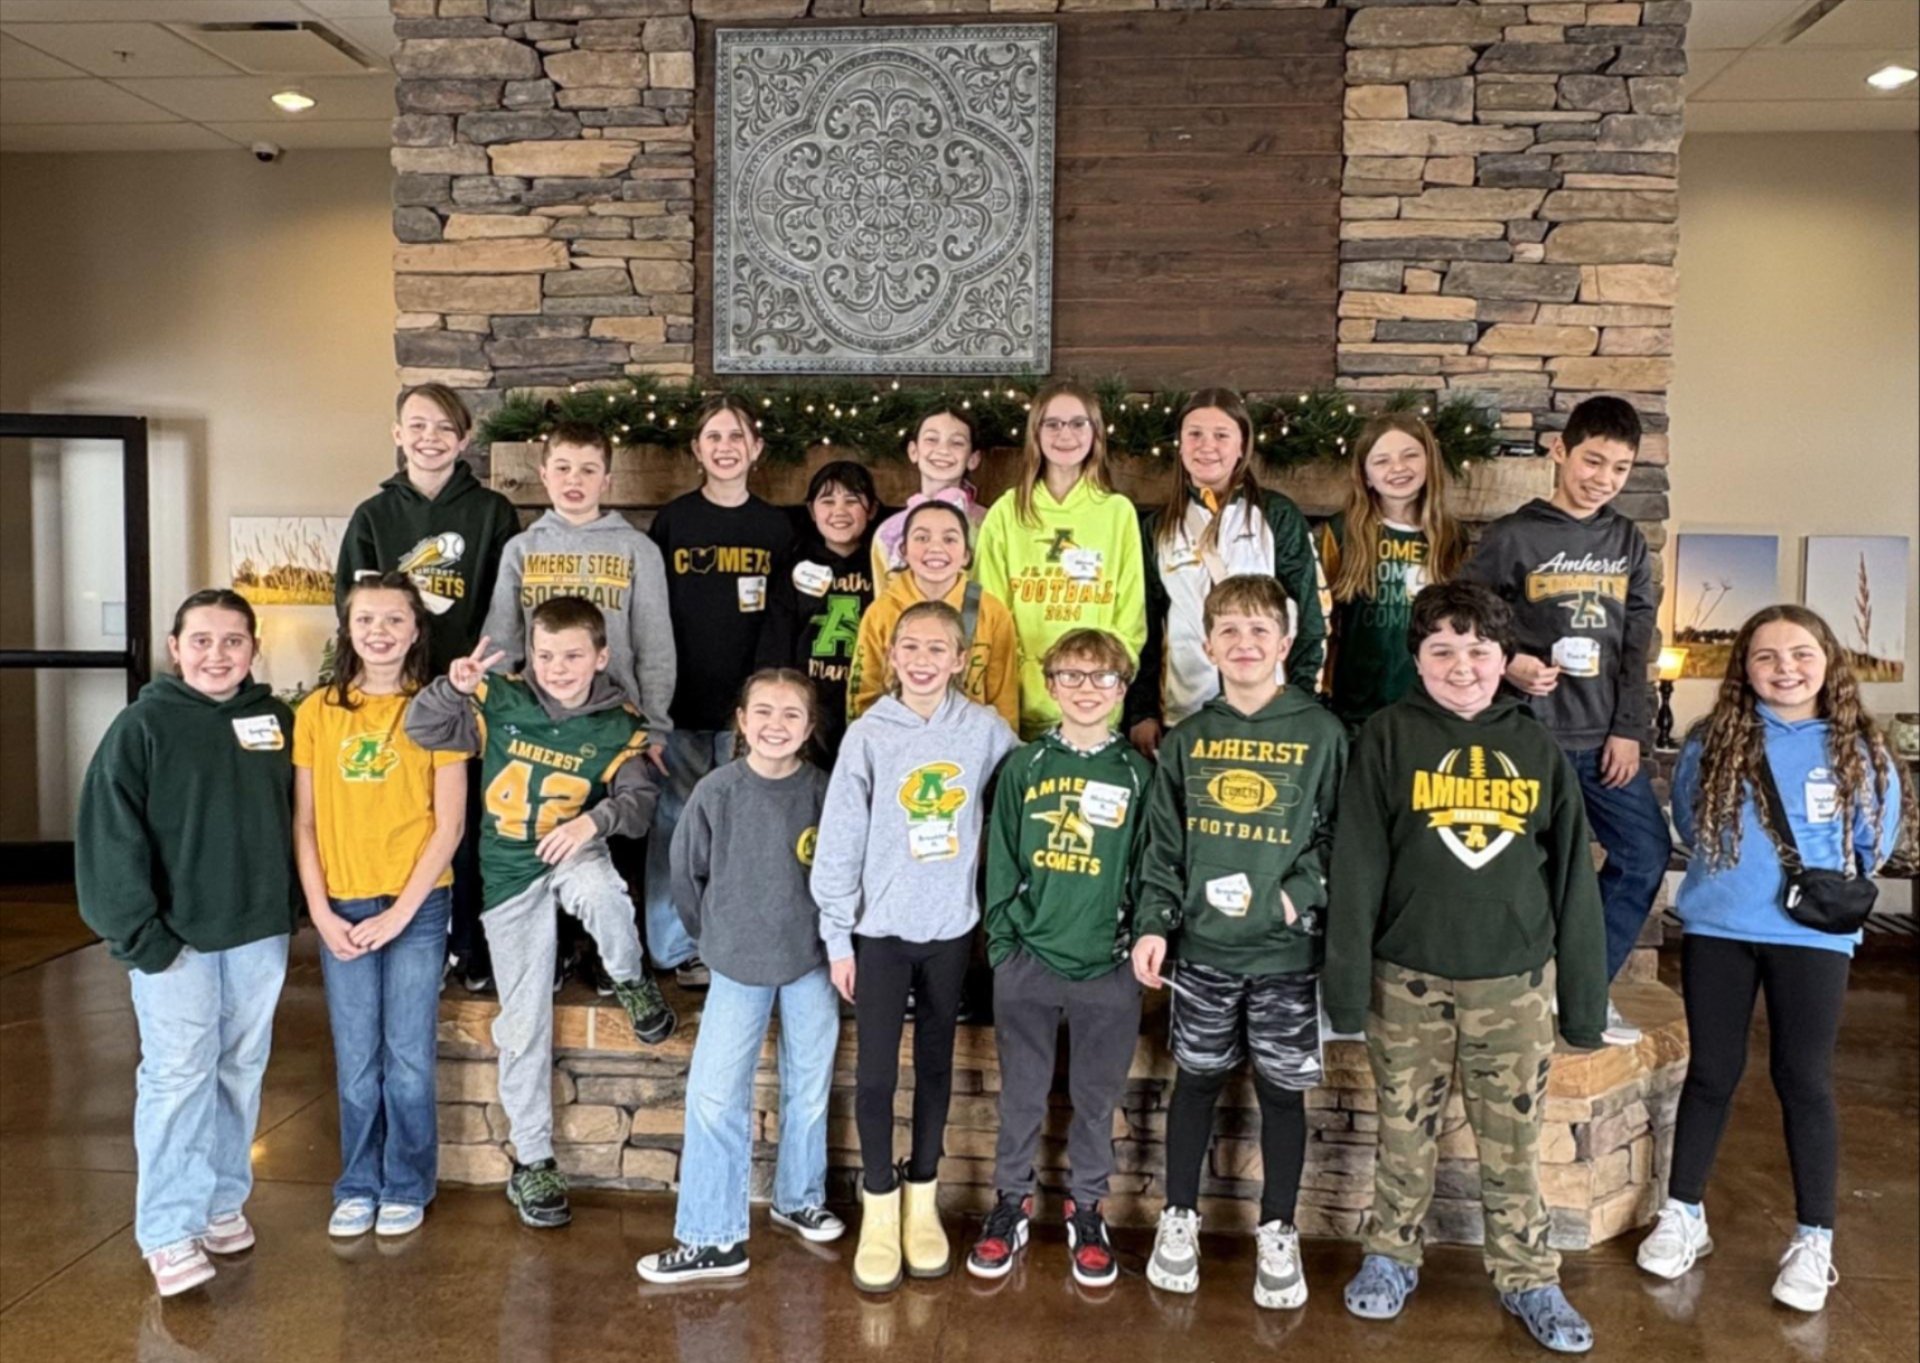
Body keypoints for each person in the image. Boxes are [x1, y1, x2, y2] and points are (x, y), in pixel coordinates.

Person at [1327, 581, 1606, 1356]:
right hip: (1404, 980)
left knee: (1512, 1142)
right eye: (1442, 649)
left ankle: (1529, 1275)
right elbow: (1357, 865)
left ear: (1505, 658)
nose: (1461, 666)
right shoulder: (1386, 737)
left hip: (1512, 984)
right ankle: (1390, 1254)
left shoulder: (1537, 748)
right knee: (1402, 1132)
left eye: (1479, 650)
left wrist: (1584, 1003)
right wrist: (1344, 989)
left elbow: (1572, 880)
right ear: (1417, 658)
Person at [1637, 605, 1904, 1314]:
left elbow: (1874, 840)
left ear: (1828, 661)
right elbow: (1691, 820)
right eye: (1766, 656)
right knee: (1711, 1073)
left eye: (1801, 654)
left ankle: (1814, 1237)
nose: (1785, 668)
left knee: (1804, 1078)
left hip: (1812, 937)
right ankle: (1683, 1213)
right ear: (1745, 668)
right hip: (1720, 927)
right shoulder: (1713, 740)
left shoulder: (1860, 747)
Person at [405, 596, 672, 1231]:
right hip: (508, 873)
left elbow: (640, 806)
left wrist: (593, 821)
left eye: (573, 655)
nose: (557, 668)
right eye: (546, 655)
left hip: (572, 848)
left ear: (601, 657)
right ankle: (533, 1161)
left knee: (603, 892)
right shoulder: (498, 698)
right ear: (529, 654)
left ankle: (630, 978)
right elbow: (423, 730)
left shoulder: (618, 723)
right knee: (523, 1024)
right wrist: (452, 688)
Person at [1131, 574, 1346, 1312]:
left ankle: (1278, 1228)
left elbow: (1340, 835)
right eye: (1229, 630)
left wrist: (1296, 894)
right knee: (1194, 1081)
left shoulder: (1322, 733)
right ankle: (1178, 1217)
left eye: (1260, 631)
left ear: (1285, 643)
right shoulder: (1190, 739)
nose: (1245, 643)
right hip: (1203, 951)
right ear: (1207, 644)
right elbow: (1164, 845)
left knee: (1282, 1093)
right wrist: (1154, 922)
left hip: (1287, 955)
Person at [77, 590, 298, 1297]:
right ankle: (169, 1229)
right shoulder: (142, 726)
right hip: (175, 941)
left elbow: (304, 818)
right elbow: (108, 834)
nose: (217, 654)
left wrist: (297, 908)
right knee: (178, 1075)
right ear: (175, 647)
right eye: (201, 640)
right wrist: (140, 933)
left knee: (240, 1066)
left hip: (258, 932)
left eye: (233, 640)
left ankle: (221, 1199)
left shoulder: (277, 721)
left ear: (253, 648)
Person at [811, 601, 1019, 1293]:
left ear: (960, 660)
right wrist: (837, 935)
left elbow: (1024, 789)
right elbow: (840, 839)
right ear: (891, 655)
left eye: (938, 649)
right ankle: (879, 1199)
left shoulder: (984, 730)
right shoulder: (869, 735)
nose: (923, 660)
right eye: (910, 647)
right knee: (875, 1074)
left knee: (935, 1066)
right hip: (879, 932)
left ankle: (921, 1193)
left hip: (951, 929)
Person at [1463, 395, 1665, 1047]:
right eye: (1593, 461)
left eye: (1620, 468)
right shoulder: (1512, 536)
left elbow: (1638, 644)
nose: (1603, 478)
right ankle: (1510, 993)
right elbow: (1466, 620)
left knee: (1644, 854)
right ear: (1561, 451)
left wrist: (1630, 730)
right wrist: (1511, 663)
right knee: (1523, 870)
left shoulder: (1627, 541)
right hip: (1530, 738)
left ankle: (1583, 987)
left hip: (1605, 739)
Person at [636, 670, 844, 1283]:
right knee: (715, 1096)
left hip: (810, 960)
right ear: (742, 721)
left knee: (810, 1086)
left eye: (791, 714)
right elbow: (686, 875)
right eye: (764, 712)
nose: (776, 725)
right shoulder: (716, 792)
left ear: (809, 727)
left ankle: (799, 1196)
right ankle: (712, 1236)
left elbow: (841, 876)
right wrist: (714, 939)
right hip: (735, 963)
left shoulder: (824, 792)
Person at [968, 629, 1151, 1288]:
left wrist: (1134, 942)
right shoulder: (1025, 766)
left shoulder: (1138, 772)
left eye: (1102, 677)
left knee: (1096, 1098)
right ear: (1050, 685)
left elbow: (1150, 866)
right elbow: (1000, 858)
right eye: (1071, 674)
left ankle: (1088, 1209)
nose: (1086, 688)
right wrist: (1003, 943)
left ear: (1122, 689)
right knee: (1021, 1093)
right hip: (1030, 959)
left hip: (1108, 964)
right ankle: (1011, 1203)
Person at [294, 574, 465, 1240]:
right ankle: (358, 1182)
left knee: (409, 1058)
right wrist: (320, 912)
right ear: (347, 629)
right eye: (366, 619)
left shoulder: (439, 708)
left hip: (417, 904)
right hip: (341, 902)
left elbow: (449, 824)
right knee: (357, 1060)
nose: (380, 632)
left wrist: (401, 913)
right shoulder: (318, 711)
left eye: (395, 619)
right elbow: (305, 822)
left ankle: (407, 1182)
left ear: (416, 630)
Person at [337, 383, 518, 997]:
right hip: (395, 698)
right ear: (397, 435)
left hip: (470, 699)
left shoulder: (492, 513)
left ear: (464, 439)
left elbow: (504, 606)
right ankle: (420, 943)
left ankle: (471, 945)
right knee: (409, 822)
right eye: (417, 425)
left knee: (467, 826)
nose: (429, 438)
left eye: (443, 427)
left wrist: (479, 679)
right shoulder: (373, 517)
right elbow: (355, 609)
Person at [645, 395, 795, 988]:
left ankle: (735, 940)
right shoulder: (673, 522)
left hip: (749, 715)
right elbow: (652, 617)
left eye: (736, 436)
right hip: (681, 705)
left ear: (756, 449)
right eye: (714, 436)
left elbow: (782, 620)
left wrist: (766, 705)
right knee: (676, 823)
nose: (725, 447)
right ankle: (673, 947)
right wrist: (654, 703)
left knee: (743, 828)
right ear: (696, 448)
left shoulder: (776, 528)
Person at [1127, 389, 1326, 758]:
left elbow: (1308, 612)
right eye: (1195, 434)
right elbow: (1147, 624)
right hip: (1184, 710)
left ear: (1242, 445)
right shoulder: (1158, 528)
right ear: (1180, 445)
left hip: (1269, 707)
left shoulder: (1276, 515)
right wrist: (1142, 711)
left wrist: (1299, 699)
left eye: (1221, 435)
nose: (1207, 446)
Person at [975, 379, 1146, 740]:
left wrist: (1099, 680)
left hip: (1093, 706)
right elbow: (988, 614)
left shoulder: (1117, 512)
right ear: (1035, 433)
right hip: (1018, 707)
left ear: (1095, 432)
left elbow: (1130, 617)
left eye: (1078, 423)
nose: (1065, 434)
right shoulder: (1007, 511)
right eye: (1052, 423)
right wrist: (1013, 683)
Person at [481, 419, 675, 735]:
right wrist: (494, 711)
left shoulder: (638, 550)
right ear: (544, 475)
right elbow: (501, 642)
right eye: (562, 468)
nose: (574, 479)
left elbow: (655, 648)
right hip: (535, 717)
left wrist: (654, 725)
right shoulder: (521, 549)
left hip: (616, 719)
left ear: (606, 481)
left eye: (588, 470)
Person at [1316, 412, 1466, 730]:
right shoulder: (1341, 532)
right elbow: (1320, 616)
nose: (1398, 468)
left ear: (1429, 462)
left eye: (1410, 455)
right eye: (1382, 460)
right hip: (1352, 703)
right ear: (1366, 476)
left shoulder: (1451, 536)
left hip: (1426, 702)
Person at [847, 494, 1019, 732]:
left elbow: (1004, 697)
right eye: (922, 538)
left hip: (971, 743)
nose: (936, 548)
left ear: (966, 554)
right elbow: (864, 690)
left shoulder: (991, 612)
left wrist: (1004, 747)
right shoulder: (882, 612)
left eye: (950, 539)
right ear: (904, 551)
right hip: (897, 741)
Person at [757, 461, 880, 763]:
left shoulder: (882, 570)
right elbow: (776, 646)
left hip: (868, 709)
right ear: (812, 511)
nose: (839, 511)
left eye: (851, 501)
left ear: (872, 510)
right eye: (827, 501)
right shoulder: (794, 569)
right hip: (808, 713)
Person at [870, 407, 986, 588]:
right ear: (913, 451)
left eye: (957, 443)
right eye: (931, 439)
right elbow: (883, 598)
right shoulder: (888, 533)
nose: (943, 450)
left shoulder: (988, 524)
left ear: (973, 459)